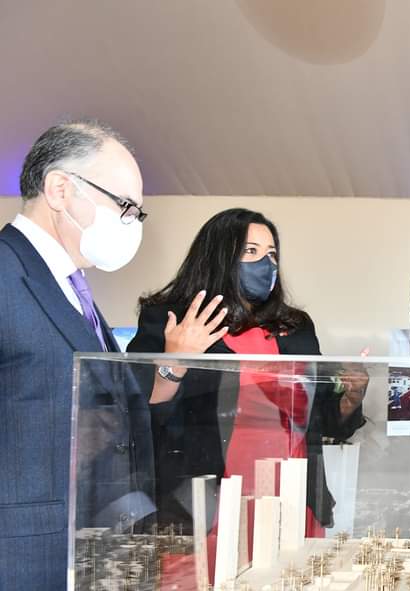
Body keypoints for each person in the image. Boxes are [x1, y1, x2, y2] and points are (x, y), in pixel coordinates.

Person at [0, 121, 154, 591]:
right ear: (60, 189)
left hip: (88, 578)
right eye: (124, 206)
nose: (132, 223)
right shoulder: (5, 273)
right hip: (22, 589)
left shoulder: (73, 288)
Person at [128, 208, 368, 552]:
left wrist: (350, 399)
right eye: (250, 251)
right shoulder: (173, 319)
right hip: (207, 497)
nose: (266, 264)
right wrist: (175, 361)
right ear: (218, 256)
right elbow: (142, 417)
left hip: (292, 489)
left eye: (272, 254)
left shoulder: (296, 327)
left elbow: (320, 421)